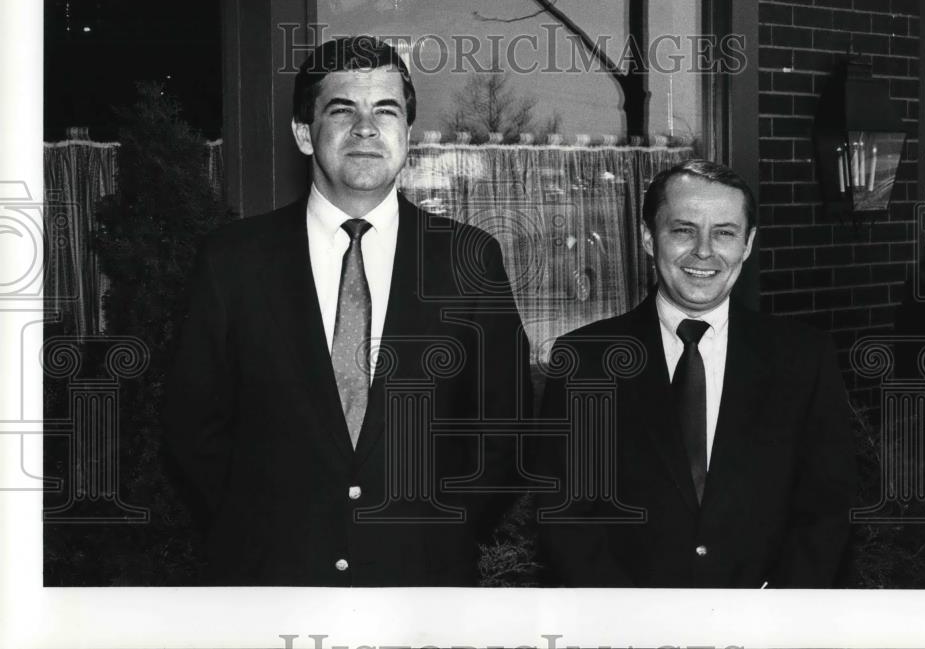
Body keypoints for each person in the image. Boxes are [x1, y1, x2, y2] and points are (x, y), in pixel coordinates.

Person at [165, 36, 531, 586]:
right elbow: (193, 428)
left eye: (386, 110)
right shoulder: (233, 260)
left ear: (408, 132)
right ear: (303, 133)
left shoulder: (467, 259)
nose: (366, 128)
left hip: (420, 583)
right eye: (342, 110)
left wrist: (442, 534)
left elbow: (505, 429)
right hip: (270, 582)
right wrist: (256, 533)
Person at [536, 159, 857, 587]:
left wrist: (776, 615)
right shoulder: (584, 361)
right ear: (649, 238)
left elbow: (828, 511)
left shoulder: (803, 358)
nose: (704, 251)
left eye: (724, 232)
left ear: (747, 244)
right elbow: (567, 521)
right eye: (684, 230)